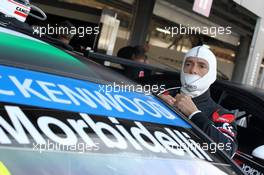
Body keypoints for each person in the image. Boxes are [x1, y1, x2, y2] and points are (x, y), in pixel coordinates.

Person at [160, 46, 237, 157]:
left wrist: (194, 114)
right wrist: (153, 103)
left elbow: (228, 150)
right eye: (188, 64)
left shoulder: (221, 114)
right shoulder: (160, 96)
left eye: (201, 66)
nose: (193, 70)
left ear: (212, 74)